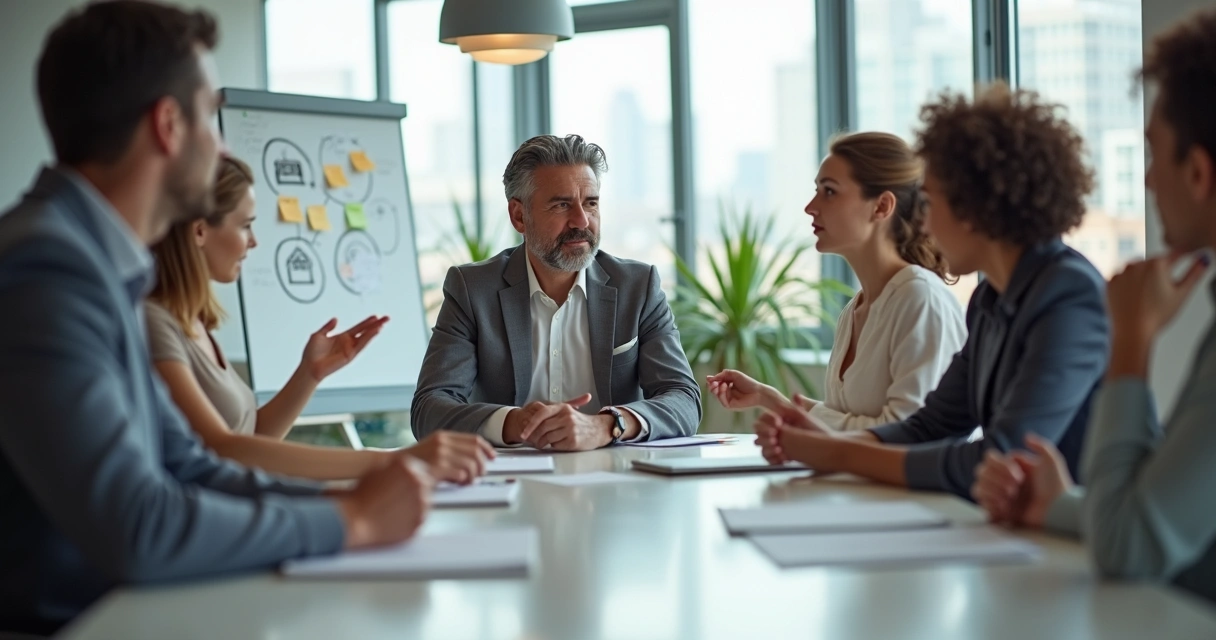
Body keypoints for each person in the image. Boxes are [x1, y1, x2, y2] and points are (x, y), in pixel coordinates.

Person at [0, 3, 429, 634]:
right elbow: (138, 527)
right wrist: (351, 522)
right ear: (168, 125)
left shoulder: (94, 261)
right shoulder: (48, 269)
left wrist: (351, 498)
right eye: (210, 116)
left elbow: (191, 466)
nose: (221, 144)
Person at [754, 83, 1110, 499]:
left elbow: (1003, 456)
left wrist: (837, 454)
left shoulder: (1069, 295)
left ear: (974, 206)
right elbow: (928, 426)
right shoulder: (989, 300)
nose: (922, 224)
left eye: (930, 202)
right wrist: (824, 444)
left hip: (1086, 543)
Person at [972, 9, 1216, 603]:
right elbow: (1167, 522)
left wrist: (1129, 339)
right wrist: (1059, 507)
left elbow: (1128, 545)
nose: (1150, 181)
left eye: (1155, 154)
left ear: (1200, 170)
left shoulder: (1067, 291)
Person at [148, 156, 494, 482]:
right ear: (199, 231)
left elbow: (252, 435)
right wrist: (387, 459)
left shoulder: (195, 323)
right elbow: (224, 448)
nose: (253, 242)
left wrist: (309, 374)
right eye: (245, 226)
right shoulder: (154, 324)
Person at [411, 134, 701, 450]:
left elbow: (684, 399)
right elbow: (429, 408)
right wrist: (513, 422)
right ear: (519, 216)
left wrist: (607, 426)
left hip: (616, 479)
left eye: (590, 203)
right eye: (561, 205)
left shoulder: (638, 285)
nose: (581, 220)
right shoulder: (473, 290)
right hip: (511, 483)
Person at [706, 132, 966, 431]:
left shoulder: (920, 300)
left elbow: (903, 434)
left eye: (829, 191)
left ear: (881, 206)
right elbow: (848, 423)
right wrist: (769, 398)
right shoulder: (855, 310)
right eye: (817, 190)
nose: (810, 206)